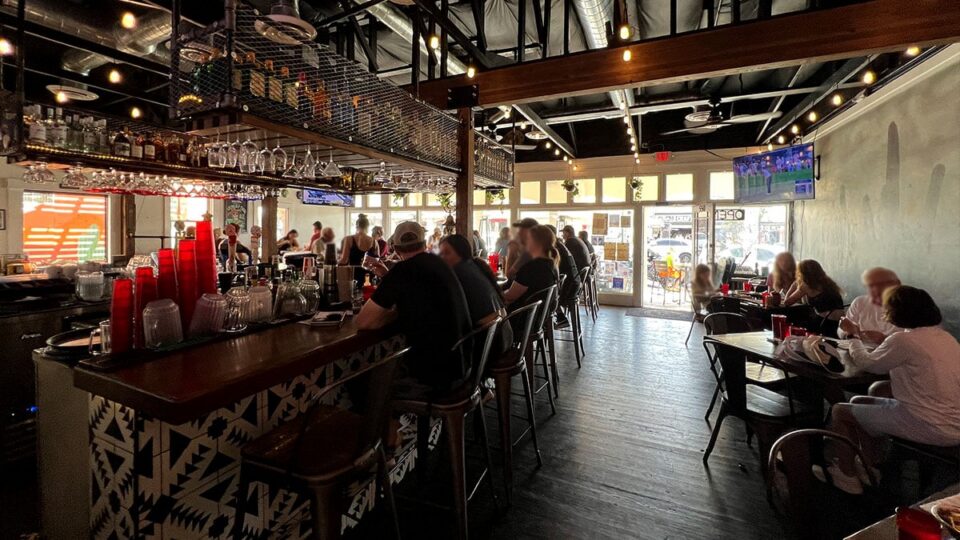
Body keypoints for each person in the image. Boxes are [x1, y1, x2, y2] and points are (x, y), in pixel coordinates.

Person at [822, 286, 960, 494]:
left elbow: (868, 364)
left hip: (929, 424)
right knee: (860, 401)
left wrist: (852, 336)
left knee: (840, 411)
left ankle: (847, 476)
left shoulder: (904, 340)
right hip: (952, 421)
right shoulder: (944, 337)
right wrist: (877, 339)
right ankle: (870, 467)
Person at [356, 222, 473, 397]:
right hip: (464, 367)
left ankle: (393, 424)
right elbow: (420, 292)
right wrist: (388, 276)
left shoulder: (402, 271)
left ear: (395, 248)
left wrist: (395, 312)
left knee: (360, 384)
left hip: (435, 380)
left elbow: (364, 322)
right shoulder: (439, 263)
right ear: (425, 244)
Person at [439, 234, 513, 354]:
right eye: (441, 253)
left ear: (461, 253)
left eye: (447, 253)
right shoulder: (474, 265)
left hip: (489, 346)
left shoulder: (458, 273)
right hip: (503, 335)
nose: (441, 257)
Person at [838, 267, 902, 345]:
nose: (875, 289)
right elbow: (842, 329)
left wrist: (884, 339)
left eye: (880, 284)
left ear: (896, 284)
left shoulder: (909, 306)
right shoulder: (860, 302)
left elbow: (912, 343)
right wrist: (849, 334)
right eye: (870, 285)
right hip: (858, 349)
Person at [504, 225, 560, 308]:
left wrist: (493, 294)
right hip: (541, 316)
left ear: (536, 243)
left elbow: (510, 296)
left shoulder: (532, 267)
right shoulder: (551, 263)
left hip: (522, 318)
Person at [545, 224, 580, 327]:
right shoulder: (560, 244)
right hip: (574, 283)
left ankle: (544, 325)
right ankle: (555, 320)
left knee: (545, 291)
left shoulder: (554, 248)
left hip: (569, 288)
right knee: (548, 287)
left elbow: (551, 268)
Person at [340, 214, 378, 283]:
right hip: (369, 276)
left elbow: (344, 260)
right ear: (368, 227)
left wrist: (335, 264)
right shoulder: (374, 241)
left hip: (354, 276)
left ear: (356, 226)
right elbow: (377, 261)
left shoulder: (349, 239)